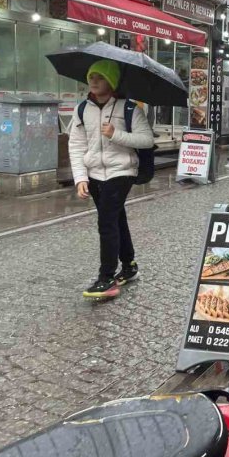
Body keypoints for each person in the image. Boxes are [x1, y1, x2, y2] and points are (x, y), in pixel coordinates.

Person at [69, 60, 154, 299]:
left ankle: (106, 277)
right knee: (116, 219)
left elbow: (147, 140)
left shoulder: (129, 109)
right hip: (94, 173)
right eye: (91, 77)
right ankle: (128, 266)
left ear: (112, 81)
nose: (94, 81)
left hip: (121, 172)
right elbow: (76, 144)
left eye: (100, 77)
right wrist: (79, 177)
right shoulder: (82, 109)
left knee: (106, 222)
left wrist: (116, 135)